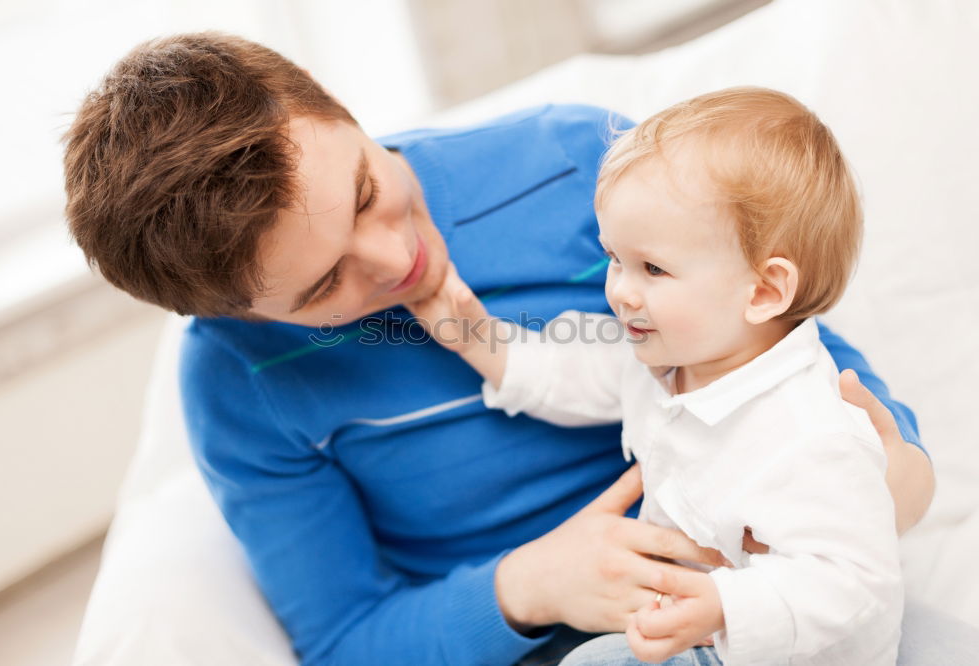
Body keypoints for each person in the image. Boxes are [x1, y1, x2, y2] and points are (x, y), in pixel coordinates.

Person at [61, 33, 953, 666]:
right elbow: (345, 639)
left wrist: (893, 462)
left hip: (766, 587)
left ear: (341, 112)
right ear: (240, 314)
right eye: (325, 284)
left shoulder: (566, 163)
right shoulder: (236, 386)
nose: (397, 257)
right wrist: (529, 588)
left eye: (369, 190)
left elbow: (775, 334)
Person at [406, 87, 902, 665]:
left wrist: (725, 604)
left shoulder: (811, 432)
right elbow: (572, 373)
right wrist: (479, 340)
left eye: (653, 268)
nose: (618, 290)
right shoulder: (669, 356)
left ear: (764, 291)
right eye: (615, 258)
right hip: (699, 633)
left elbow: (856, 582)